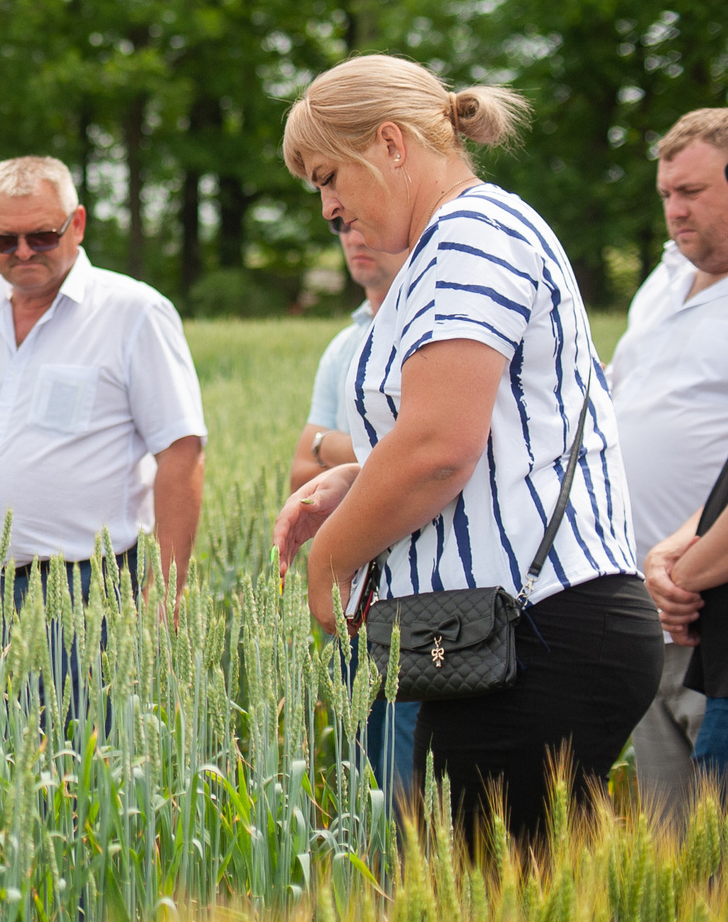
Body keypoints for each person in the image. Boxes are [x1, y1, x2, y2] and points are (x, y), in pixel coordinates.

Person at [271, 55, 655, 854]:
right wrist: (355, 475)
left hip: (536, 631)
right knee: (504, 916)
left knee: (483, 915)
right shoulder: (454, 242)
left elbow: (442, 448)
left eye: (328, 175)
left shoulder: (468, 236)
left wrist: (329, 563)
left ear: (391, 143)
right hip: (500, 637)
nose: (328, 206)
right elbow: (490, 425)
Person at [0, 156, 207, 602]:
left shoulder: (134, 313)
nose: (22, 251)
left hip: (90, 589)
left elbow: (181, 452)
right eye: (1, 238)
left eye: (41, 236)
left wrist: (166, 592)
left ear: (77, 223)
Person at [616, 110, 728, 828]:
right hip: (641, 608)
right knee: (669, 842)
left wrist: (692, 565)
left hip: (719, 618)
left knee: (727, 846)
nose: (675, 210)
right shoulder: (663, 283)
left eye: (692, 191)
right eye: (667, 194)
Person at [288, 215, 417, 802]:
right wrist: (379, 451)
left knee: (411, 790)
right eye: (342, 227)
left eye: (368, 223)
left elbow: (431, 452)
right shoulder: (345, 344)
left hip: (427, 605)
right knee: (365, 785)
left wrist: (331, 444)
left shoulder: (430, 326)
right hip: (355, 601)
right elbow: (301, 471)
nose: (356, 239)